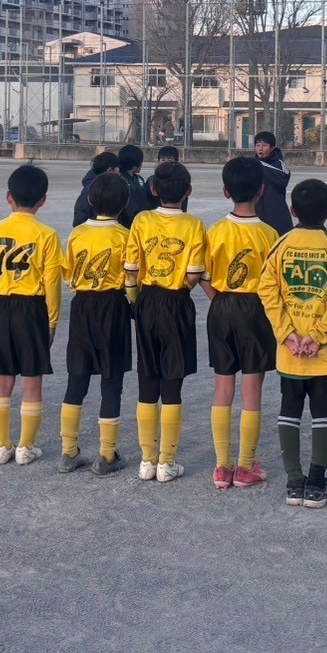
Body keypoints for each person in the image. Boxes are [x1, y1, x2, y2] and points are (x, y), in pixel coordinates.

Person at [261, 178, 327, 509]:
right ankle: (315, 483)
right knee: (322, 411)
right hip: (323, 352)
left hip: (291, 352)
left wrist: (287, 334)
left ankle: (293, 481)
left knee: (289, 409)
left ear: (292, 210)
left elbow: (267, 290)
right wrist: (318, 336)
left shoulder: (281, 245)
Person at [124, 160, 207, 483]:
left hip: (147, 300)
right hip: (177, 302)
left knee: (148, 378)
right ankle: (166, 462)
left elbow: (131, 268)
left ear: (154, 190)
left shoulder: (142, 220)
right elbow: (193, 275)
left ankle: (147, 460)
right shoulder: (194, 225)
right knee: (173, 381)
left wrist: (136, 300)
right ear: (189, 192)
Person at [204, 156, 280, 490]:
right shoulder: (269, 234)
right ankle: (246, 466)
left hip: (222, 305)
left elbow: (203, 275)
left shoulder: (215, 230)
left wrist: (219, 301)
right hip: (255, 309)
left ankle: (222, 467)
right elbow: (274, 283)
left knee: (223, 386)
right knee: (252, 387)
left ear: (226, 191)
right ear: (261, 191)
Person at [0, 165, 64, 468]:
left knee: (2, 378)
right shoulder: (47, 235)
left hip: (1, 306)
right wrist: (52, 321)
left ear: (8, 197)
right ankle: (25, 447)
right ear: (43, 200)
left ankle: (1, 446)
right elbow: (52, 283)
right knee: (32, 381)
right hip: (33, 309)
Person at [61, 173, 134, 476]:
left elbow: (68, 275)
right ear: (125, 204)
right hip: (113, 306)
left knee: (77, 377)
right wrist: (133, 304)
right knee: (111, 379)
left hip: (82, 306)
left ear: (90, 200)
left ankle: (68, 451)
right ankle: (107, 454)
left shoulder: (77, 233)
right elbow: (131, 278)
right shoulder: (125, 235)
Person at [252, 131, 294, 234]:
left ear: (272, 148)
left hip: (276, 211)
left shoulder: (279, 164)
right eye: (258, 145)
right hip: (256, 210)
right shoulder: (253, 164)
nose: (260, 148)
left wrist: (258, 165)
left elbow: (282, 179)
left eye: (264, 145)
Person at [72, 150, 119, 228]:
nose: (119, 171)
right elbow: (79, 218)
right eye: (118, 167)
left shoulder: (108, 185)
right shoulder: (90, 189)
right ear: (109, 170)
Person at [117, 144, 151, 226]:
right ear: (134, 164)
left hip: (143, 220)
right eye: (140, 162)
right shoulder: (119, 180)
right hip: (127, 222)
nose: (141, 165)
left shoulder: (140, 179)